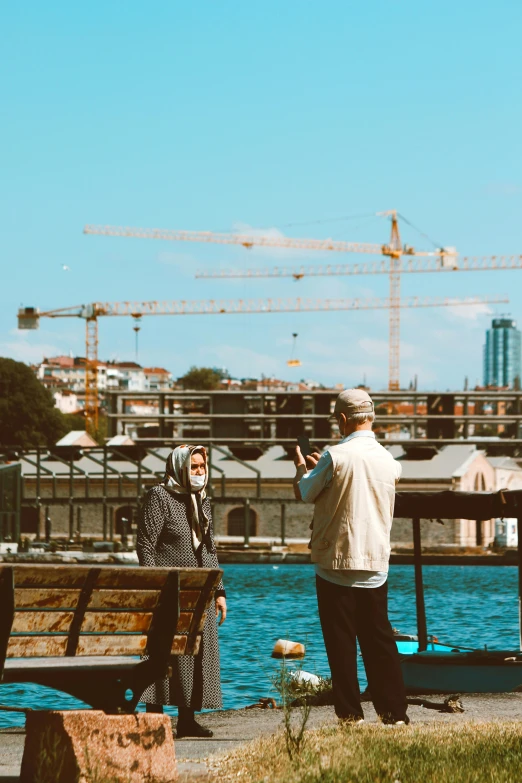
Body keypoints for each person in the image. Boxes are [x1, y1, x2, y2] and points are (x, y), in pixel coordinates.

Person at [293, 388, 409, 725]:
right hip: (375, 562)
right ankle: (394, 713)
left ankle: (350, 714)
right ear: (371, 418)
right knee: (379, 641)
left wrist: (303, 468)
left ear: (343, 420)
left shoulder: (334, 456)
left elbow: (306, 492)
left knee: (341, 642)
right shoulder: (390, 462)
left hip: (336, 562)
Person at [137, 444, 227, 738]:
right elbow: (146, 545)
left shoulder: (202, 500)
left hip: (198, 592)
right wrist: (155, 585)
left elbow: (209, 548)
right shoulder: (159, 497)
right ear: (178, 468)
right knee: (164, 654)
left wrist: (219, 592)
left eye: (202, 466)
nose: (200, 472)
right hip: (168, 591)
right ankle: (155, 720)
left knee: (195, 652)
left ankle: (187, 719)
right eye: (193, 467)